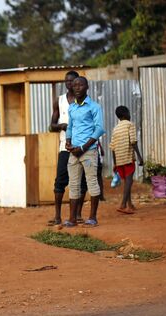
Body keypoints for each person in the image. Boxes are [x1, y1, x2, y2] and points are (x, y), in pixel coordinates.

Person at [63, 76, 105, 227]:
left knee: (92, 183)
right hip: (73, 152)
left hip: (88, 152)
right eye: (75, 85)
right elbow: (70, 127)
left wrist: (83, 147)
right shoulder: (72, 107)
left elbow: (99, 129)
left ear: (87, 87)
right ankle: (72, 218)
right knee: (73, 185)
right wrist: (68, 142)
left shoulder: (94, 107)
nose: (77, 87)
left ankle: (92, 217)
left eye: (81, 85)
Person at [48, 70, 88, 225]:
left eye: (72, 81)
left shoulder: (85, 102)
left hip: (83, 147)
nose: (69, 84)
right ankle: (57, 216)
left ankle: (77, 214)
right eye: (66, 81)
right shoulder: (59, 101)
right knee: (60, 181)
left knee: (82, 182)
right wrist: (62, 126)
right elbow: (51, 126)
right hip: (65, 147)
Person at [110, 106, 144, 214]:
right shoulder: (130, 125)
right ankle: (123, 205)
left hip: (119, 159)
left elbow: (113, 147)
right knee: (129, 181)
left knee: (127, 182)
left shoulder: (115, 128)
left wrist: (115, 163)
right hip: (128, 157)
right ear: (125, 114)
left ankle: (130, 204)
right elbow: (133, 141)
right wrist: (139, 156)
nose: (130, 115)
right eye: (129, 112)